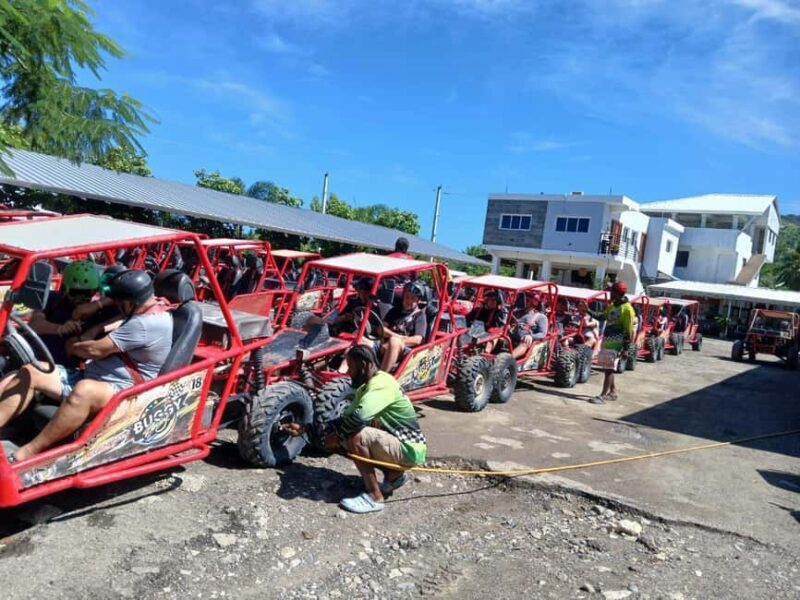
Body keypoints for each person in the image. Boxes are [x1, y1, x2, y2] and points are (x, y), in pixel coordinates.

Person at [0, 270, 173, 461]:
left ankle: (26, 453)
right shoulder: (148, 309)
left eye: (118, 301)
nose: (115, 304)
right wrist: (97, 325)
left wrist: (74, 344)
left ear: (131, 302)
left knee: (85, 390)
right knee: (31, 371)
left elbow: (92, 351)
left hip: (126, 391)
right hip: (95, 377)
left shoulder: (146, 323)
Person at [281, 345, 427, 514]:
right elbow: (341, 421)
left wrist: (338, 436)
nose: (348, 372)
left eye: (351, 367)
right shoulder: (364, 389)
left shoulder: (382, 383)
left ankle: (374, 497)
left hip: (409, 448)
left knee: (355, 437)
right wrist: (306, 429)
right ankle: (394, 476)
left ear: (364, 365)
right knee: (342, 435)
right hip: (397, 444)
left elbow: (359, 418)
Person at [591, 281, 636, 405]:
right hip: (608, 341)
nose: (610, 294)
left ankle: (602, 396)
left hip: (617, 342)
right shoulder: (613, 306)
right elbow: (601, 317)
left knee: (609, 370)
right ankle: (613, 392)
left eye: (611, 292)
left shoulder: (627, 310)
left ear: (616, 293)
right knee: (608, 367)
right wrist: (587, 310)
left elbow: (628, 331)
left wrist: (626, 348)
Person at [379, 281, 427, 371]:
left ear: (418, 300)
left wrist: (395, 341)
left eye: (413, 298)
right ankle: (345, 376)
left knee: (394, 342)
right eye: (407, 297)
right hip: (384, 344)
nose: (409, 300)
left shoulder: (420, 316)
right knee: (361, 338)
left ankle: (381, 377)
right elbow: (381, 329)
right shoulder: (394, 311)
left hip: (407, 351)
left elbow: (417, 340)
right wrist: (396, 336)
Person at [510, 292, 549, 359]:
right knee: (495, 335)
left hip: (524, 340)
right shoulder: (515, 312)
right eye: (523, 299)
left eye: (527, 300)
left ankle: (507, 360)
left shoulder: (541, 317)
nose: (523, 301)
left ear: (534, 303)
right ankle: (486, 356)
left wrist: (531, 336)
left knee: (525, 342)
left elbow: (543, 333)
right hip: (510, 336)